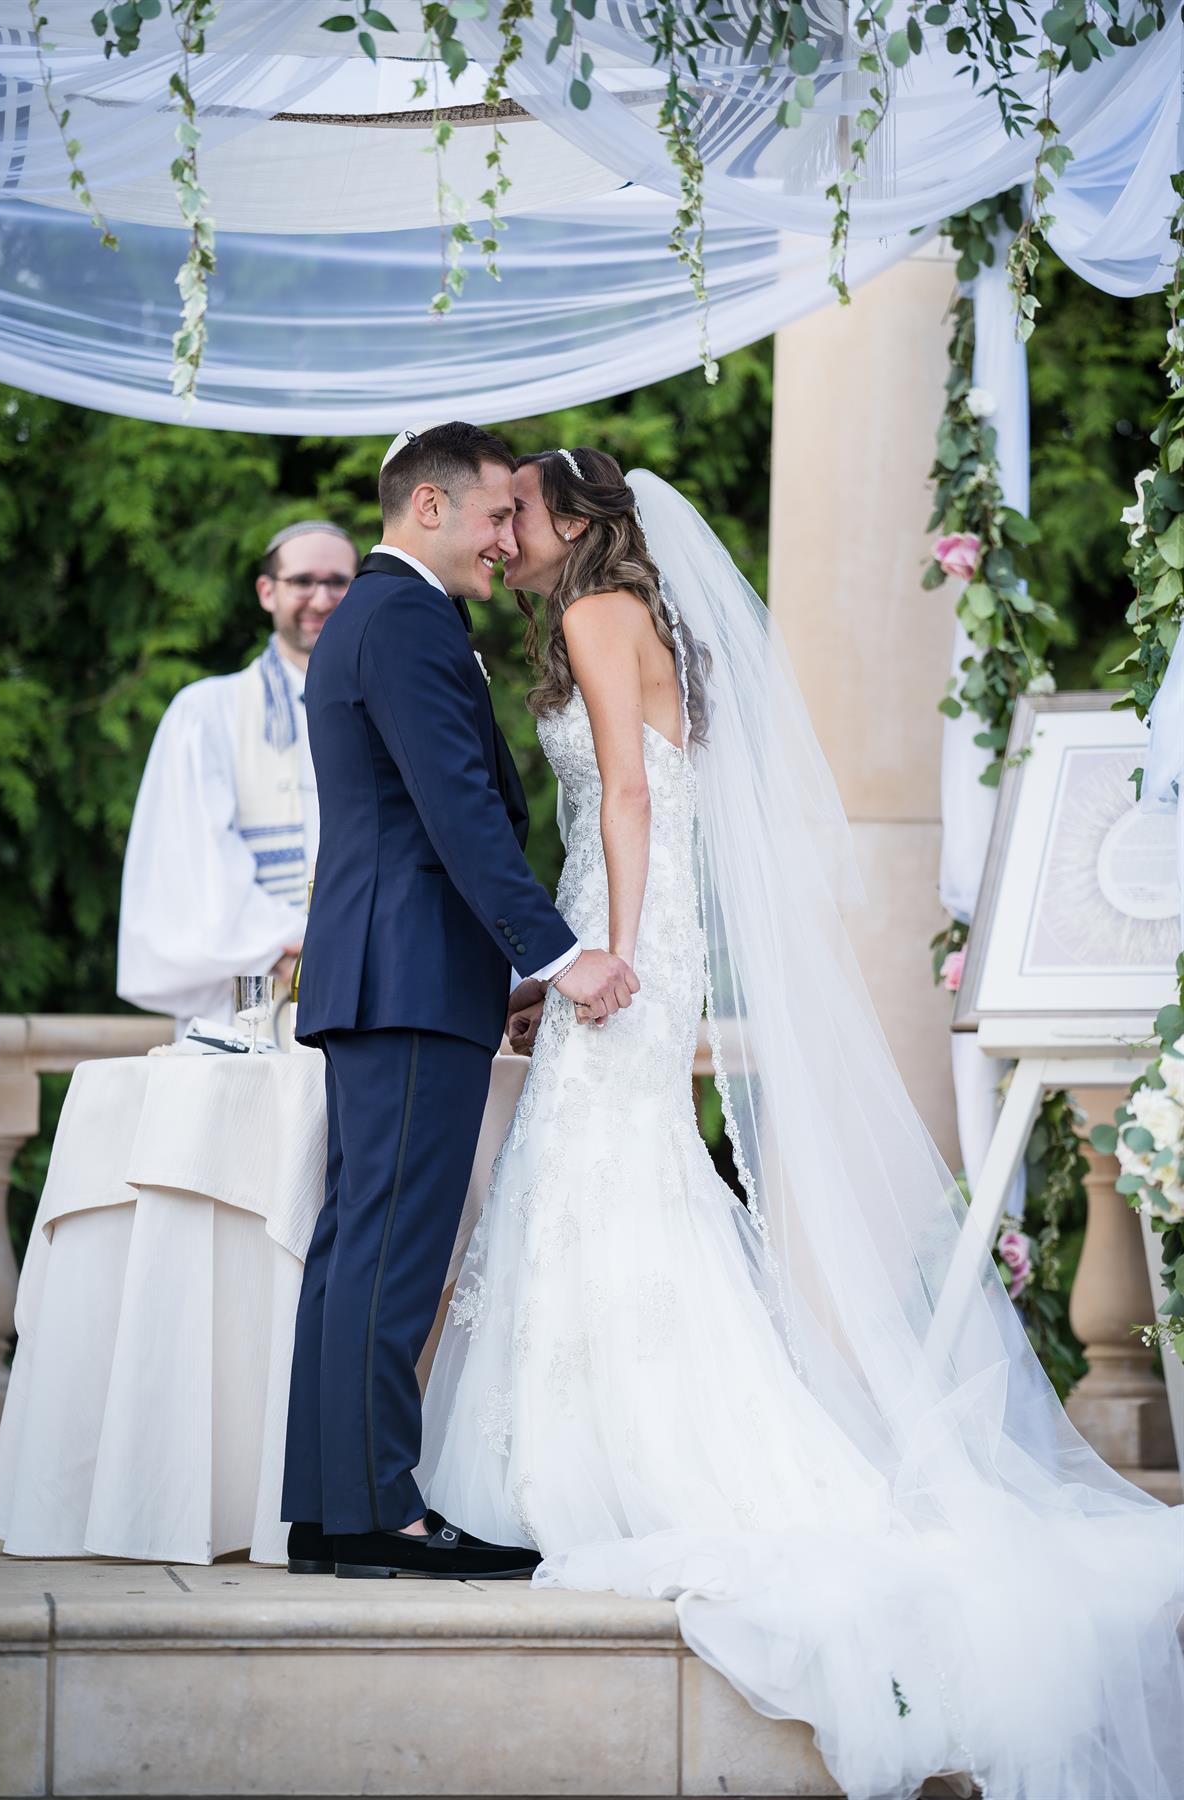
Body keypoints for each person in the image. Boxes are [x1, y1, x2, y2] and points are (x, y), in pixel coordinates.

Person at [417, 448, 1184, 1800]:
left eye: (524, 507)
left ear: (580, 521)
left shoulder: (597, 612)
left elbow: (630, 794)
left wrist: (599, 953)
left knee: (599, 1170)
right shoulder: (641, 618)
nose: (506, 527)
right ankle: (600, 1442)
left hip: (628, 931)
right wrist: (584, 947)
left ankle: (607, 1461)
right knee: (610, 1173)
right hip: (630, 924)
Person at [280, 422, 638, 1582]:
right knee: (390, 1252)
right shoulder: (405, 620)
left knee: (358, 1245)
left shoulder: (385, 615)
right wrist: (560, 956)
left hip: (392, 972)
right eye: (494, 514)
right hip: (411, 976)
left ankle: (331, 1509)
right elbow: (459, 814)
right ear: (428, 507)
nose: (504, 537)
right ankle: (381, 1513)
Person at [117, 520, 357, 1032]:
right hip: (249, 1001)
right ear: (267, 591)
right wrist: (304, 947)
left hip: (365, 992)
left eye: (338, 582)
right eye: (303, 581)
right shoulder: (207, 712)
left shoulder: (383, 710)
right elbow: (193, 863)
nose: (321, 598)